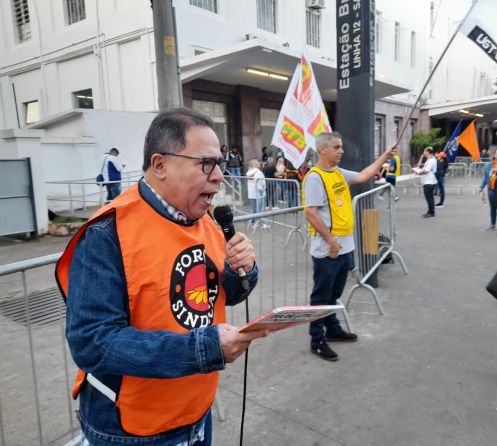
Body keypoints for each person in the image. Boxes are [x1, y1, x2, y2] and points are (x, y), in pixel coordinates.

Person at [55, 108, 267, 446]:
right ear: (160, 164)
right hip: (132, 428)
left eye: (220, 163)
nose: (218, 177)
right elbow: (91, 342)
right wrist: (205, 348)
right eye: (206, 163)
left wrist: (243, 270)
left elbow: (224, 292)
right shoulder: (106, 233)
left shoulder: (206, 219)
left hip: (197, 408)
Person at [302, 131, 394, 361]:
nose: (341, 151)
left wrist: (384, 156)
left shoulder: (338, 173)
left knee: (334, 293)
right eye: (337, 147)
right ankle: (317, 339)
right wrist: (331, 241)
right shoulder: (315, 177)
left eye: (341, 147)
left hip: (345, 246)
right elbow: (311, 214)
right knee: (321, 296)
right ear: (323, 149)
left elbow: (363, 176)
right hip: (328, 248)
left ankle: (332, 328)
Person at [479, 148, 497, 231]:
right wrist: (481, 188)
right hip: (491, 190)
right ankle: (493, 224)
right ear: (494, 155)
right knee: (493, 208)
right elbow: (485, 178)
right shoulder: (488, 165)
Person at [413, 147, 437, 218]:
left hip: (429, 181)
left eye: (424, 151)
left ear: (428, 152)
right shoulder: (430, 159)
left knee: (429, 198)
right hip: (429, 181)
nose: (423, 153)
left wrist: (419, 172)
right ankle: (430, 211)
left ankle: (431, 212)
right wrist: (419, 170)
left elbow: (427, 170)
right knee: (430, 197)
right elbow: (426, 169)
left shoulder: (431, 160)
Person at [246, 159, 266, 228]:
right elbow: (262, 182)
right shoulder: (258, 172)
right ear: (255, 164)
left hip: (251, 193)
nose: (259, 163)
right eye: (258, 162)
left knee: (253, 208)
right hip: (259, 192)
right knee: (260, 208)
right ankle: (260, 223)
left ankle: (253, 222)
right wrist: (264, 187)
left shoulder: (248, 172)